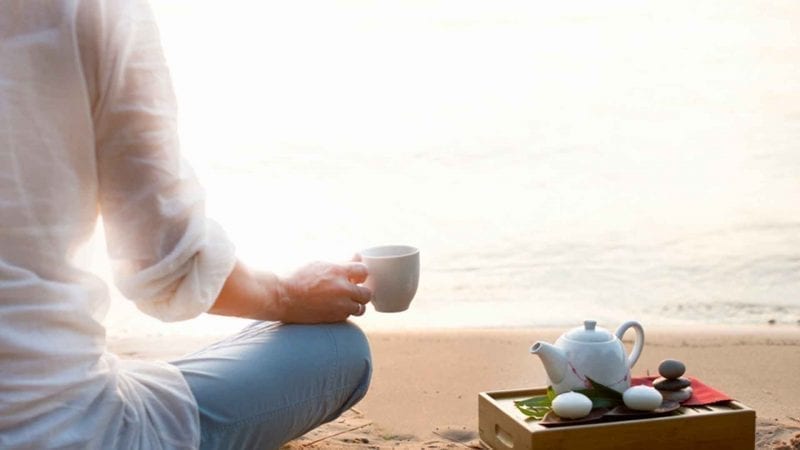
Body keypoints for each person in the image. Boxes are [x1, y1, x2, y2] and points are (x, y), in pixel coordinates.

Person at [0, 0, 373, 448]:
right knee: (339, 353)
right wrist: (286, 295)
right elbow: (167, 265)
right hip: (58, 431)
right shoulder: (92, 11)